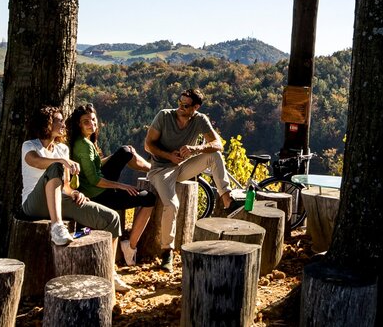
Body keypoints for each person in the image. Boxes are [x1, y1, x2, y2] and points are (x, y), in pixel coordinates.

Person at [20, 105, 131, 292]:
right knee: (54, 167)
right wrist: (61, 162)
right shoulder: (30, 146)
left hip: (60, 201)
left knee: (112, 219)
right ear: (47, 124)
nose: (63, 124)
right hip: (33, 204)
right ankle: (57, 227)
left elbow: (64, 186)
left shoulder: (62, 149)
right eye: (58, 120)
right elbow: (34, 161)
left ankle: (110, 273)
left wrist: (75, 193)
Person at [144, 88, 237, 271]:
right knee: (172, 205)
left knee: (215, 156)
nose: (180, 107)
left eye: (185, 105)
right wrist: (168, 156)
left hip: (183, 167)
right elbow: (148, 145)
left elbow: (218, 145)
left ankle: (227, 200)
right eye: (179, 102)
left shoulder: (200, 120)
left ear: (196, 107)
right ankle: (167, 252)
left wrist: (196, 149)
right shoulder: (164, 116)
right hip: (161, 169)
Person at [66, 103, 156, 267]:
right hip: (99, 196)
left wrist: (114, 156)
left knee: (126, 151)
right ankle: (130, 246)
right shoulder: (83, 146)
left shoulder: (84, 141)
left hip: (98, 190)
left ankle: (153, 169)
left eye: (93, 120)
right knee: (149, 198)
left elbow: (95, 166)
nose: (92, 124)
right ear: (78, 124)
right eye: (86, 121)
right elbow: (95, 180)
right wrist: (122, 186)